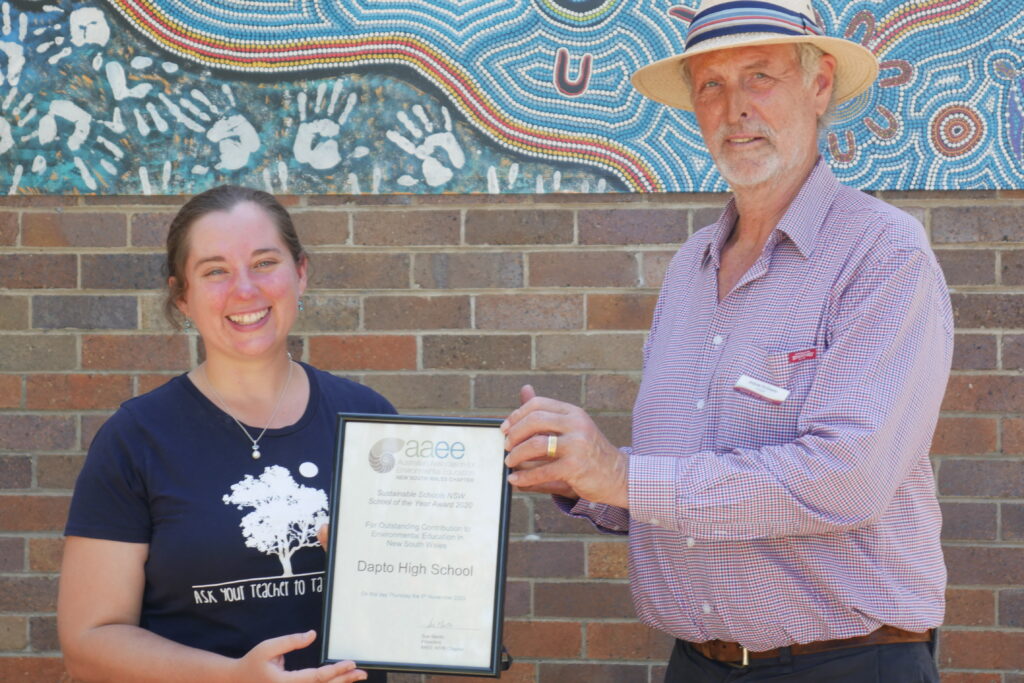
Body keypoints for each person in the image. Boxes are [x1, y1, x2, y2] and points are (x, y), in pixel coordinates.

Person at [501, 0, 952, 680]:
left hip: (846, 663)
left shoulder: (882, 253)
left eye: (758, 76)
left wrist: (623, 475)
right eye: (710, 84)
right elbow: (681, 472)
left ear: (820, 83)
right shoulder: (690, 267)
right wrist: (585, 475)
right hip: (697, 664)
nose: (734, 107)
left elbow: (846, 476)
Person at [58, 186, 394, 682]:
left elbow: (416, 589)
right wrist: (234, 677)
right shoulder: (136, 438)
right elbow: (88, 644)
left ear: (300, 273)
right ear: (183, 296)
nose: (245, 290)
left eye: (264, 263)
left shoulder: (369, 420)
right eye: (215, 271)